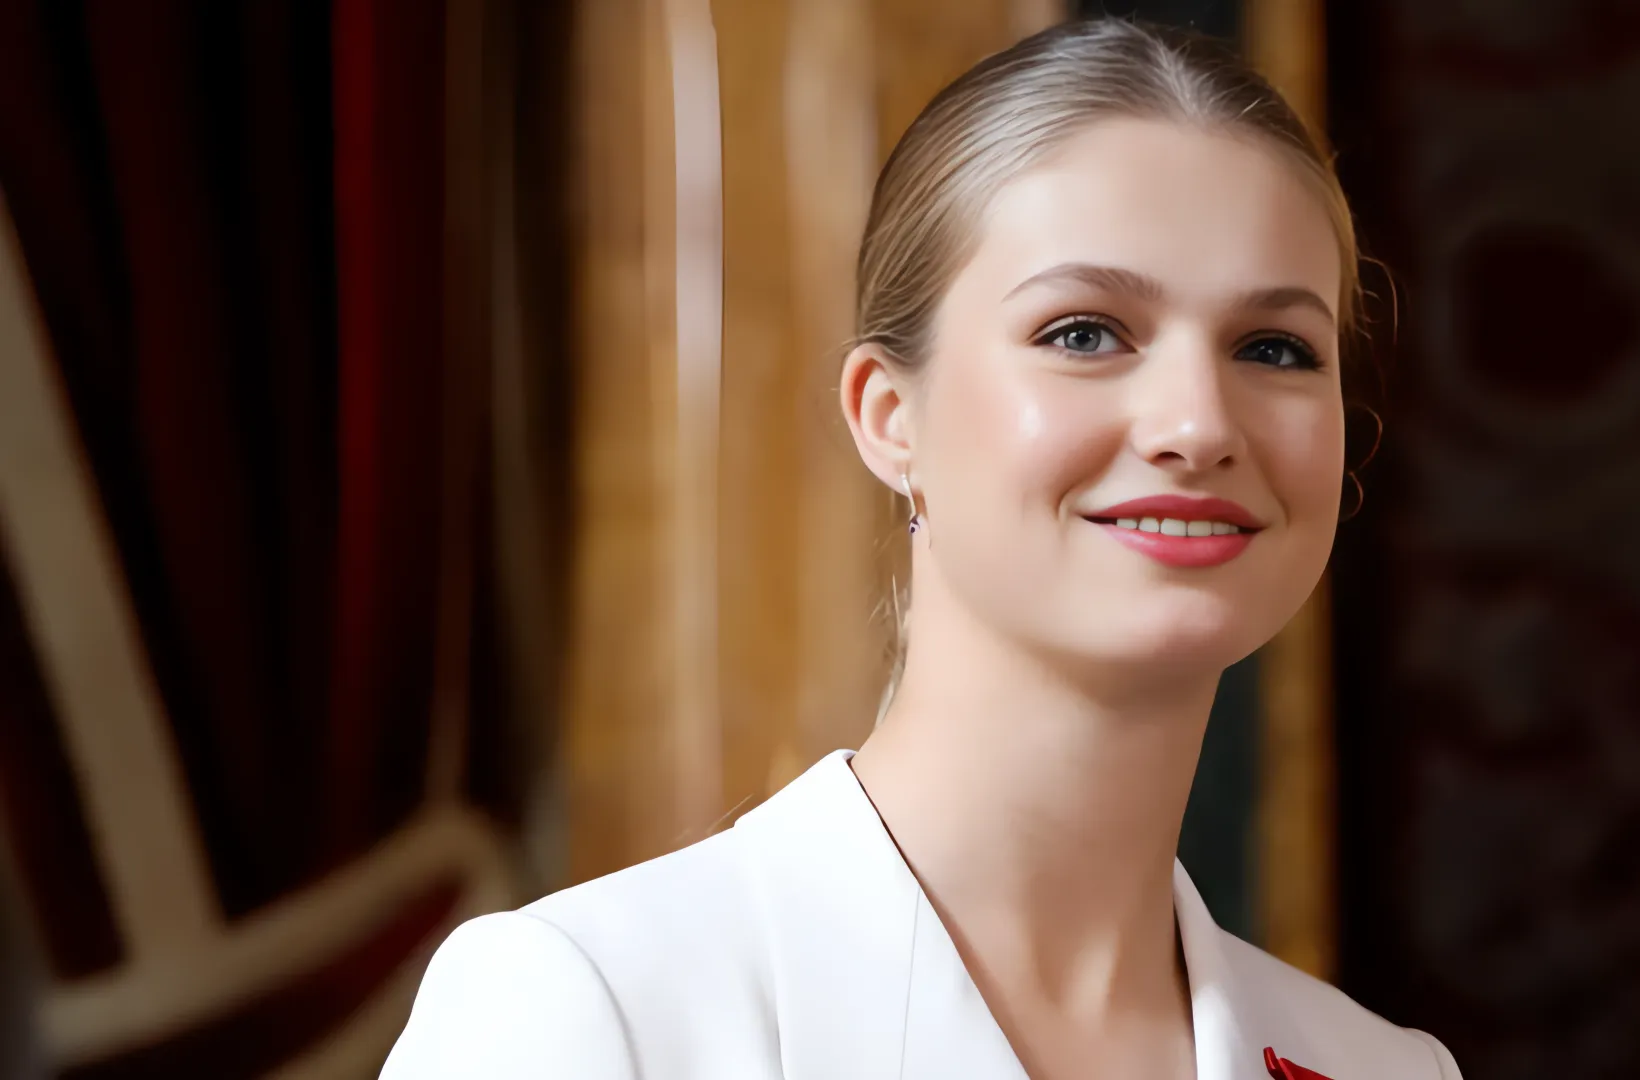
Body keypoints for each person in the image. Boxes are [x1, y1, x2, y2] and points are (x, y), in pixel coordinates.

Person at [381, 18, 1461, 1080]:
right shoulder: (592, 1009)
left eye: (1274, 347)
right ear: (890, 415)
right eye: (1083, 332)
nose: (1199, 424)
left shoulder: (1385, 1070)